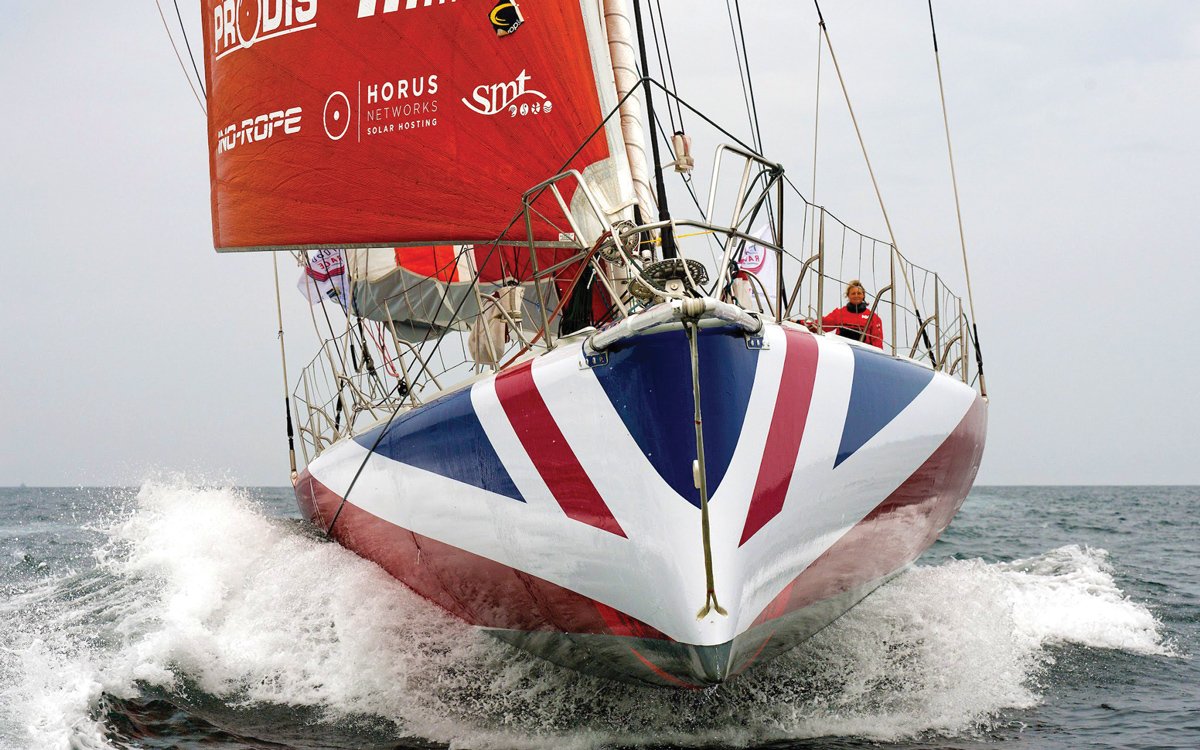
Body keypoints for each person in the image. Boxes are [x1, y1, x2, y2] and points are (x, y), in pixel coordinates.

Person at [820, 279, 883, 348]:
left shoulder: (873, 318)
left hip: (863, 353)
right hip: (842, 350)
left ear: (863, 295)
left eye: (859, 293)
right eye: (853, 293)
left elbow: (877, 343)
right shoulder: (839, 313)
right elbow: (822, 324)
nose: (856, 296)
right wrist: (807, 324)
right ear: (848, 296)